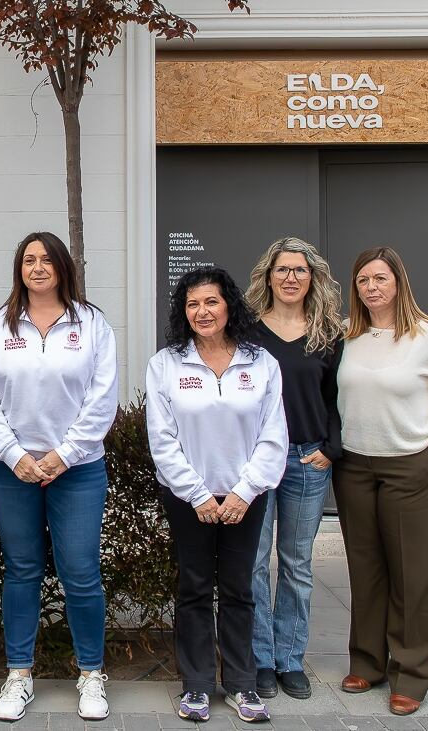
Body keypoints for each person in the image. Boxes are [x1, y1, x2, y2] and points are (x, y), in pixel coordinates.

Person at [0, 232, 118, 723]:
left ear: (62, 267)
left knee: (80, 573)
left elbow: (103, 398)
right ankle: (18, 675)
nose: (37, 267)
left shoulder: (92, 324)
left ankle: (92, 674)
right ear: (19, 268)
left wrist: (63, 455)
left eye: (46, 259)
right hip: (12, 472)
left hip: (78, 471)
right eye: (28, 260)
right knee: (23, 570)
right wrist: (15, 456)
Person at [334, 247, 428, 717]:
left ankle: (410, 674)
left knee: (412, 576)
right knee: (366, 571)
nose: (371, 288)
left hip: (411, 467)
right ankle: (368, 663)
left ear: (399, 282)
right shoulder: (348, 336)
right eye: (363, 281)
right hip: (355, 469)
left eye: (380, 279)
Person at [145, 267, 286, 724]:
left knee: (240, 589)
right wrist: (198, 495)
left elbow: (273, 436)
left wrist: (244, 492)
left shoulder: (261, 362)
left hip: (247, 497)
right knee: (194, 589)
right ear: (183, 313)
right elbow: (162, 440)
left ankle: (243, 685)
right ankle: (198, 686)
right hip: (189, 499)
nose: (202, 312)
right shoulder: (166, 364)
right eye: (192, 304)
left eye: (211, 302)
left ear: (229, 305)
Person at [243, 238, 344, 701]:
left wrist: (331, 447)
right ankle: (261, 659)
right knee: (254, 563)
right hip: (259, 461)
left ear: (312, 278)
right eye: (282, 269)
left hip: (307, 459)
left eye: (299, 271)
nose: (290, 278)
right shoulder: (247, 332)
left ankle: (291, 659)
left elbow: (337, 399)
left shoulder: (328, 334)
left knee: (297, 564)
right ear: (268, 276)